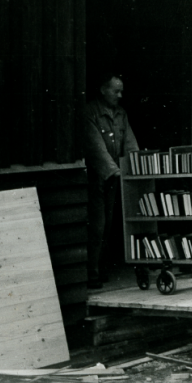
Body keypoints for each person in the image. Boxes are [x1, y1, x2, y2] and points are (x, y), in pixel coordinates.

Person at [84, 74, 139, 290]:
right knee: (97, 225)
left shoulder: (120, 114)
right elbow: (95, 146)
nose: (120, 95)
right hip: (97, 176)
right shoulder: (90, 112)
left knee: (107, 224)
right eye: (116, 91)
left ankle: (102, 269)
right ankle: (92, 273)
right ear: (102, 89)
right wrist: (113, 170)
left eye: (121, 90)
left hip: (114, 176)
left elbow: (130, 143)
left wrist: (136, 166)